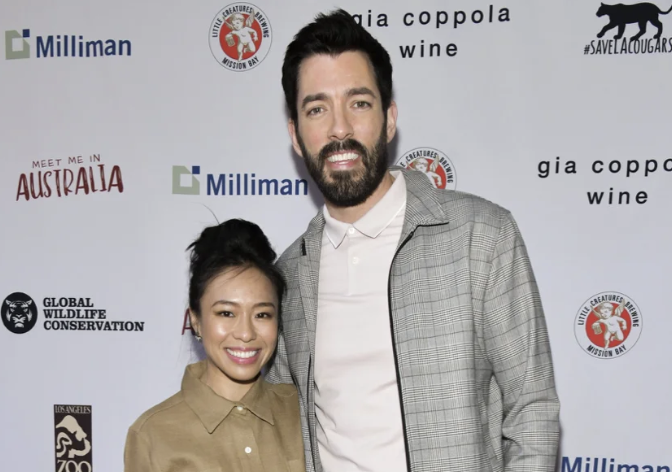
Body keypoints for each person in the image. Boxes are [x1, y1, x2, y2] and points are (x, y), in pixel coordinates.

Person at [265, 9, 560, 472]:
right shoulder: (289, 278)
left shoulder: (479, 236)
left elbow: (533, 411)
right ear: (296, 137)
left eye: (358, 103)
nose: (339, 128)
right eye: (317, 109)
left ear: (389, 119)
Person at [124, 219, 304, 472]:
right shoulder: (152, 433)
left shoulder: (303, 411)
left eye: (262, 314)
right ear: (195, 320)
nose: (245, 333)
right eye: (226, 313)